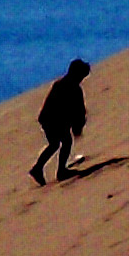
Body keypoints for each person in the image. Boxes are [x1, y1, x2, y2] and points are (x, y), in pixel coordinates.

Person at [30, 57, 90, 185]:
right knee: (64, 142)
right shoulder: (70, 87)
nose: (82, 78)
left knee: (55, 144)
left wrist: (76, 122)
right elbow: (76, 110)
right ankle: (59, 171)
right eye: (82, 75)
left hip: (50, 120)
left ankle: (39, 168)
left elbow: (78, 110)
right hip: (53, 120)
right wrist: (77, 124)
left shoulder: (62, 84)